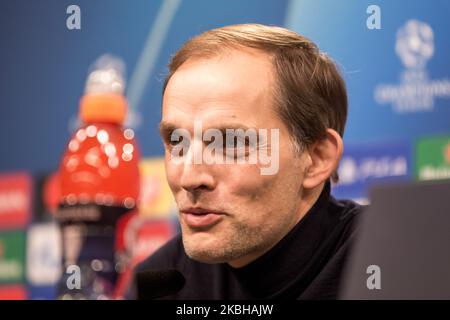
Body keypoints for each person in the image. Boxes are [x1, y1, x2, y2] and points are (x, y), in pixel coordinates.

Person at [133, 24, 364, 299]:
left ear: (316, 159)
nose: (188, 178)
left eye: (230, 143)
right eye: (177, 142)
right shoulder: (161, 283)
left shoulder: (396, 261)